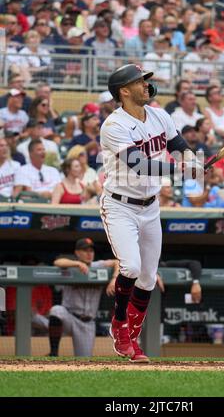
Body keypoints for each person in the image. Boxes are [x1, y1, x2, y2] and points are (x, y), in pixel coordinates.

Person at [100, 64, 203, 362]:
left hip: (151, 205)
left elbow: (179, 145)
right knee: (130, 267)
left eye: (146, 81)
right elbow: (139, 164)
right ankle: (119, 326)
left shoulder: (160, 115)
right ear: (124, 91)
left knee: (147, 279)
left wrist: (193, 161)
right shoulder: (114, 125)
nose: (147, 85)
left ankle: (132, 339)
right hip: (120, 205)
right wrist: (181, 169)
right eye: (140, 81)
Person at [48, 238, 118, 357]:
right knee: (56, 310)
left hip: (88, 323)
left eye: (91, 250)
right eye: (85, 250)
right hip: (69, 317)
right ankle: (53, 353)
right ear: (77, 252)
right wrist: (77, 263)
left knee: (85, 360)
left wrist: (114, 278)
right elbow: (58, 262)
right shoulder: (71, 265)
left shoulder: (99, 266)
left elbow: (118, 262)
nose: (89, 253)